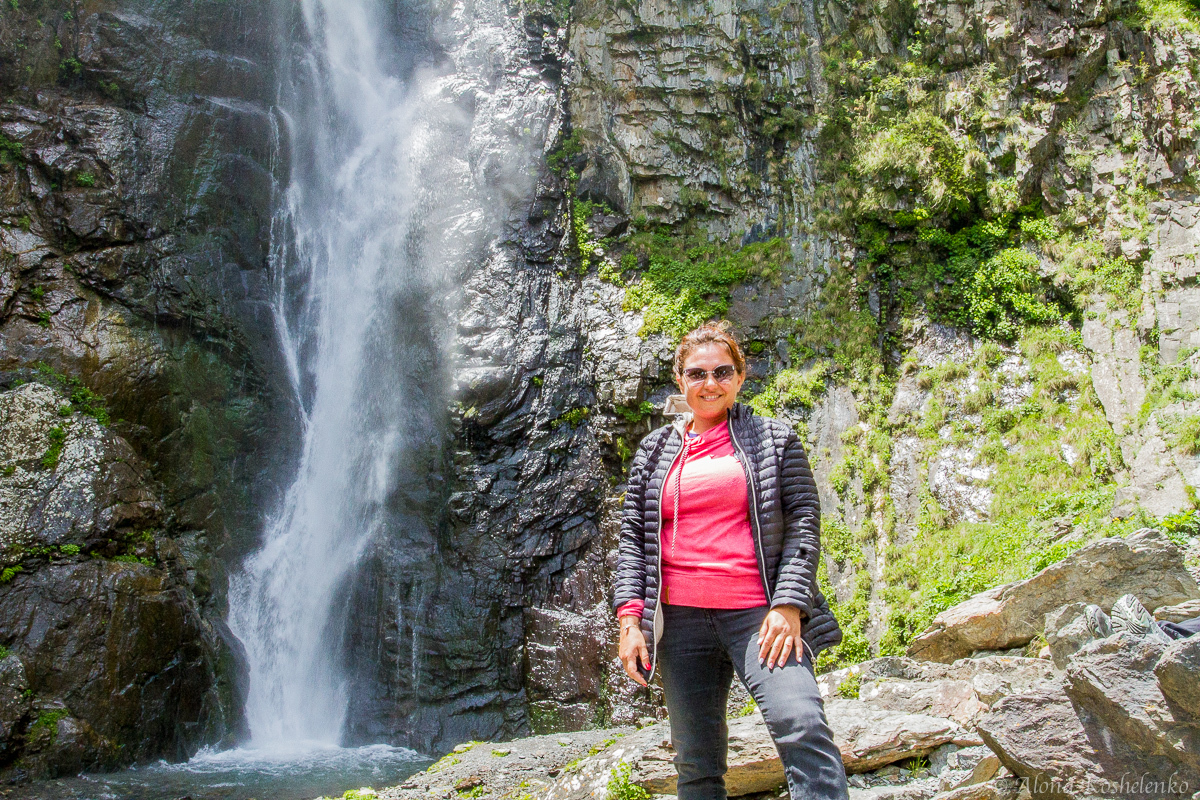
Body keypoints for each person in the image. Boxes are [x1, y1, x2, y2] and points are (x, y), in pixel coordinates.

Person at [613, 320, 850, 800]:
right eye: (697, 374)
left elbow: (804, 519)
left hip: (758, 616)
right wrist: (630, 621)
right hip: (678, 623)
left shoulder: (772, 440)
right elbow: (634, 540)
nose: (709, 383)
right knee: (696, 763)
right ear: (680, 381)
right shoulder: (655, 450)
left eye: (722, 372)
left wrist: (788, 605)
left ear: (741, 378)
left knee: (801, 724)